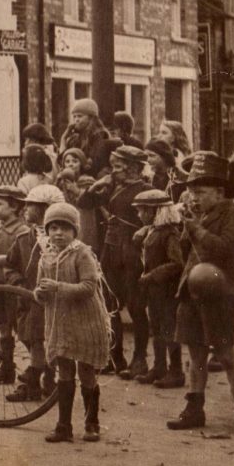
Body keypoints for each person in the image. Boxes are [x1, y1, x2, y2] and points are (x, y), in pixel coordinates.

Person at [165, 152, 234, 436]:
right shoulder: (200, 214)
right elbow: (185, 253)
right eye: (191, 192)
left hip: (218, 295)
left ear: (219, 192)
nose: (194, 198)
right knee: (194, 356)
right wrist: (187, 226)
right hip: (192, 292)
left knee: (226, 355)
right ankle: (194, 409)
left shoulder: (233, 216)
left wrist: (193, 227)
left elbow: (223, 250)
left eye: (201, 192)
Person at [34, 202, 111, 443]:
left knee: (86, 372)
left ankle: (92, 423)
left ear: (75, 231)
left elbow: (89, 287)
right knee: (65, 372)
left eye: (65, 228)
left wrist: (58, 287)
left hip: (86, 320)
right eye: (53, 227)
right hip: (61, 322)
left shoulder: (82, 253)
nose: (58, 233)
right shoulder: (45, 256)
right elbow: (40, 288)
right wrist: (41, 293)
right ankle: (63, 426)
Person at [82, 144, 152, 377]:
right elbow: (84, 203)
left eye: (119, 167)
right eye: (113, 166)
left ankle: (139, 358)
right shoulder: (112, 186)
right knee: (109, 304)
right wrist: (94, 187)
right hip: (110, 250)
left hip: (131, 252)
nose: (114, 171)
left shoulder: (144, 190)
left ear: (133, 168)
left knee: (135, 305)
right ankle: (115, 356)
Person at [5, 184, 55, 403]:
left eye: (31, 206)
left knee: (43, 339)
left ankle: (38, 377)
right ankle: (38, 377)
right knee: (30, 337)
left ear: (46, 209)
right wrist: (19, 285)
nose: (25, 210)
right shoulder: (24, 239)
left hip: (52, 300)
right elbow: (10, 266)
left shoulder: (60, 241)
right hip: (28, 298)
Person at [131, 189, 185, 388]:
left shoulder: (170, 233)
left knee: (168, 328)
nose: (139, 215)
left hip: (166, 290)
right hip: (155, 290)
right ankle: (159, 366)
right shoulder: (154, 230)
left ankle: (176, 370)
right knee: (156, 327)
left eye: (142, 211)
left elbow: (177, 263)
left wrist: (152, 275)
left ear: (155, 212)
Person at [0, 185, 32, 384]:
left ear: (15, 207)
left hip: (13, 287)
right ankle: (6, 366)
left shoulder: (22, 231)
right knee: (2, 324)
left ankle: (40, 367)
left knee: (21, 328)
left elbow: (22, 261)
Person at [58, 99, 112, 177]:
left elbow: (93, 163)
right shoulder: (76, 138)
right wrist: (63, 139)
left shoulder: (100, 135)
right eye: (74, 117)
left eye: (80, 116)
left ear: (91, 118)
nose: (76, 120)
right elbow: (63, 161)